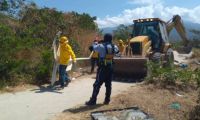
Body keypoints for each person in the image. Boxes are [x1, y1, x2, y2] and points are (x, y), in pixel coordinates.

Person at [85, 33, 119, 105]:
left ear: (104, 38)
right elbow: (118, 53)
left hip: (102, 68)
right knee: (108, 84)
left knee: (97, 84)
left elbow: (91, 48)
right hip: (110, 67)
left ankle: (93, 100)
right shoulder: (114, 46)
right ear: (111, 39)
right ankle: (107, 100)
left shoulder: (101, 46)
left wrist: (96, 42)